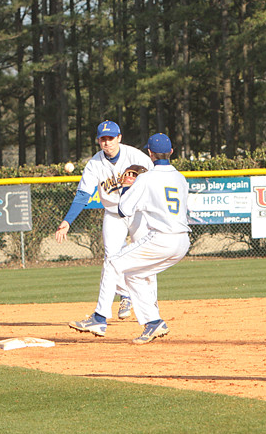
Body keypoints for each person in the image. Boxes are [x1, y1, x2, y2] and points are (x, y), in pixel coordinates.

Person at [69, 133, 190, 344]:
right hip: (182, 241)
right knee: (134, 275)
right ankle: (153, 322)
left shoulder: (146, 178)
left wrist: (127, 186)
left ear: (150, 153)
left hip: (161, 239)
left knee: (112, 263)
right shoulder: (180, 178)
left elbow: (123, 210)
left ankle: (99, 318)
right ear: (171, 152)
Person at [58, 120, 154, 323]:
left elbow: (155, 181)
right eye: (103, 139)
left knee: (145, 257)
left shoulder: (136, 156)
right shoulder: (95, 163)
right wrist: (67, 221)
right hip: (113, 214)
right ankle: (123, 297)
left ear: (119, 138)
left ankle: (151, 304)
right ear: (98, 141)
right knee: (111, 258)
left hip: (138, 212)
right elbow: (83, 195)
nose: (107, 142)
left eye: (111, 138)